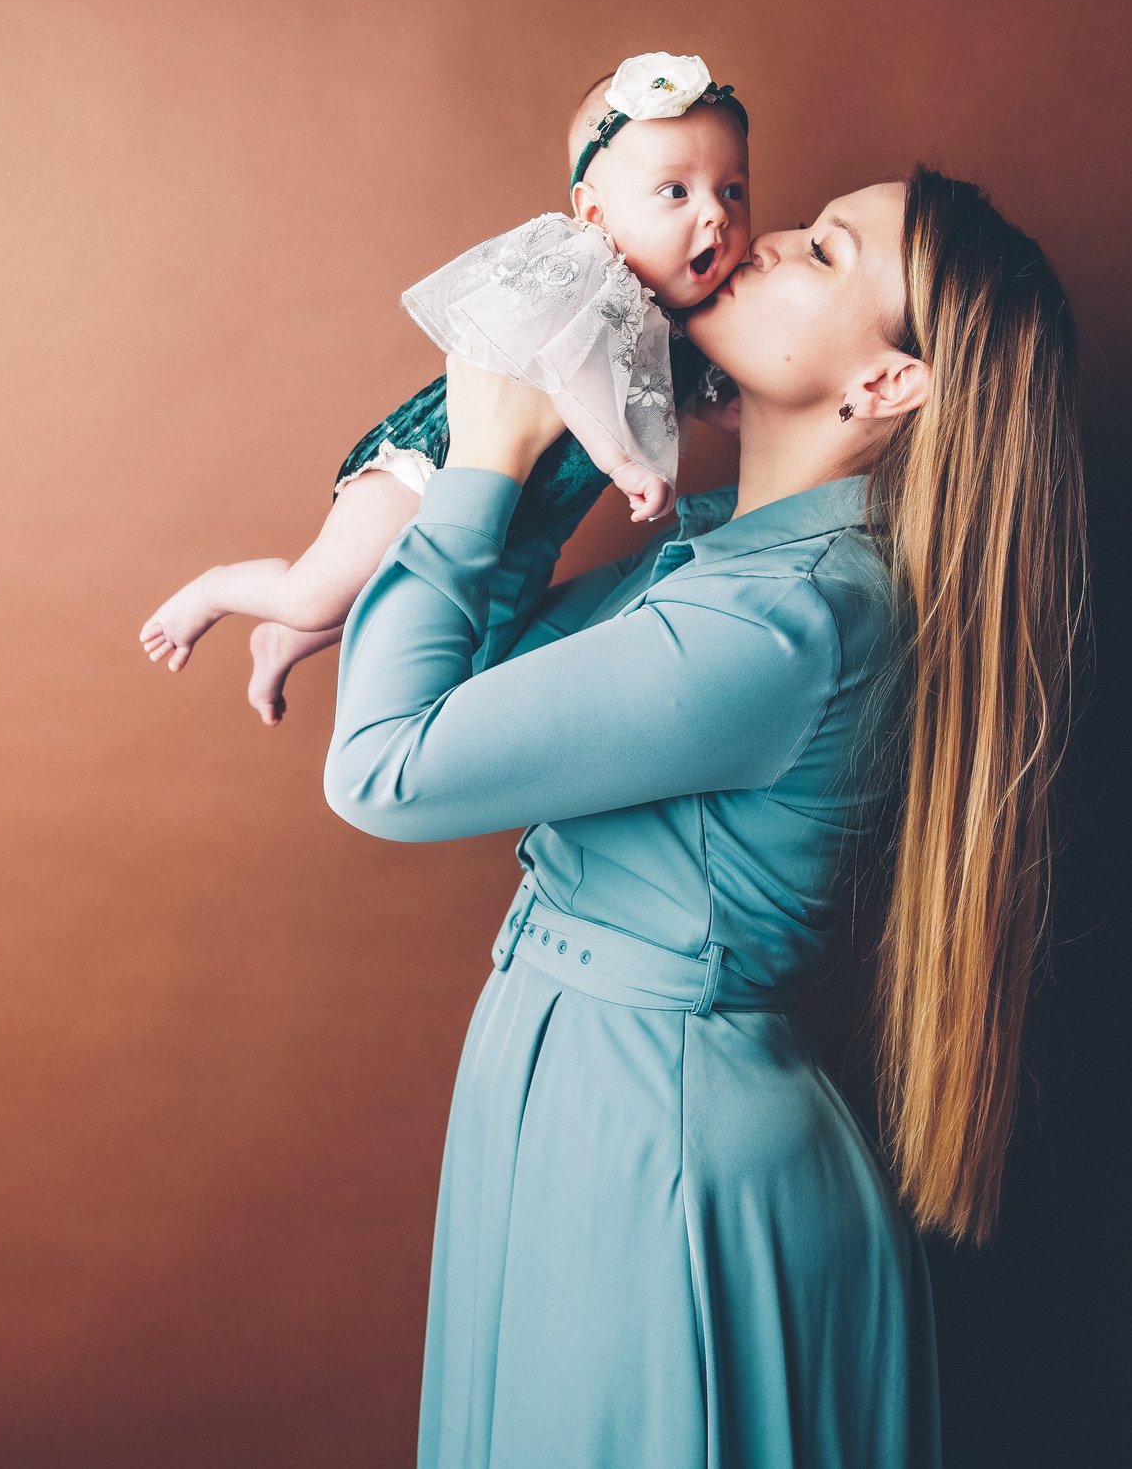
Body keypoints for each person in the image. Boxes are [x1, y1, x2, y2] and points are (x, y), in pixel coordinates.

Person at [325, 167, 1087, 1469]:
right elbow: (475, 670)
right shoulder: (735, 547)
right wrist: (570, 420)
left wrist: (491, 452)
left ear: (887, 383)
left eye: (825, 252)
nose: (768, 238)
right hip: (585, 1097)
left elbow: (386, 766)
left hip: (661, 1155)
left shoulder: (791, 620)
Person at [138, 52, 751, 722]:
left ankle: (282, 641)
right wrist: (623, 462)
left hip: (512, 514)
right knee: (320, 591)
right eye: (676, 192)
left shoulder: (685, 325)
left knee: (399, 598)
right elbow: (576, 376)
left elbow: (695, 400)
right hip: (429, 470)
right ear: (595, 214)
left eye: (733, 191)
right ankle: (222, 590)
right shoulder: (584, 273)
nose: (716, 217)